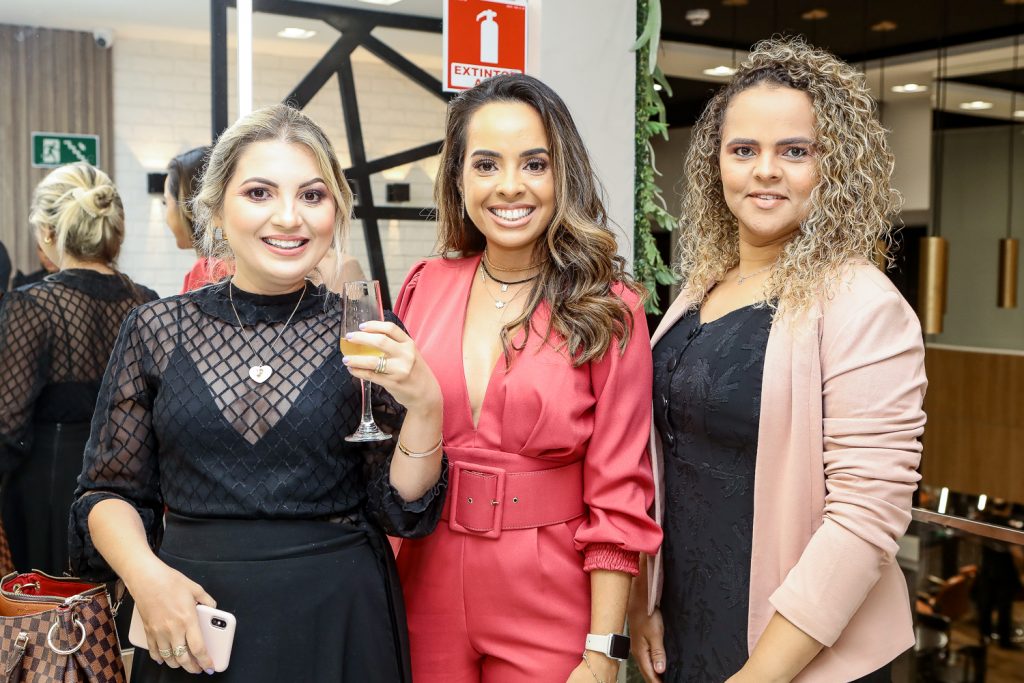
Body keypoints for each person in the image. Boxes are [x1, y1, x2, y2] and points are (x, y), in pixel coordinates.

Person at [69, 104, 447, 682]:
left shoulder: (364, 329)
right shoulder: (156, 329)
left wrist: (425, 406)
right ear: (218, 206)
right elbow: (106, 492)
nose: (289, 218)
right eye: (260, 193)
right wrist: (147, 579)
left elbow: (398, 508)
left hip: (338, 615)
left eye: (313, 196)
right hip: (191, 613)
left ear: (337, 209)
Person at [628, 37, 927, 683]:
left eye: (795, 151)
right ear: (717, 166)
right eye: (744, 150)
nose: (765, 170)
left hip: (796, 652)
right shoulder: (702, 286)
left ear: (834, 167)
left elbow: (865, 519)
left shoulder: (862, 304)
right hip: (689, 625)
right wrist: (644, 604)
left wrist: (759, 675)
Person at [393, 74, 661, 683]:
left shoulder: (609, 307)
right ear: (458, 178)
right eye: (486, 164)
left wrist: (603, 652)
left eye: (534, 163)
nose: (509, 186)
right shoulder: (422, 285)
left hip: (549, 588)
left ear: (561, 174)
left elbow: (620, 491)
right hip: (423, 575)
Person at [0, 162, 157, 575]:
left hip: (50, 484)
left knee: (52, 616)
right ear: (115, 232)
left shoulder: (31, 306)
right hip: (133, 485)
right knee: (116, 610)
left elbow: (8, 423)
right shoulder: (147, 302)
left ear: (49, 233)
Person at [164, 146, 232, 292]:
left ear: (188, 207)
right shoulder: (237, 265)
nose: (166, 218)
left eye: (166, 203)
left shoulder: (208, 272)